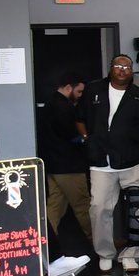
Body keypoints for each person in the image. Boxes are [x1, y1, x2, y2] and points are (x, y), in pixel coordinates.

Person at [78, 54, 139, 274]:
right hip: (101, 163)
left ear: (131, 70)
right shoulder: (93, 90)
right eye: (118, 66)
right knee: (99, 209)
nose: (122, 70)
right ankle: (105, 253)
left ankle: (132, 253)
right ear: (111, 68)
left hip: (132, 161)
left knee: (138, 209)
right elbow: (79, 118)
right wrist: (88, 139)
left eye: (126, 67)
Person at [38, 70, 93, 244]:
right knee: (83, 205)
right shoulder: (65, 107)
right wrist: (87, 139)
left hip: (53, 165)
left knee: (54, 207)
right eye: (79, 92)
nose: (80, 96)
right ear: (69, 87)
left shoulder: (50, 104)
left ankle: (43, 243)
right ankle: (98, 241)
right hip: (69, 166)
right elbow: (72, 135)